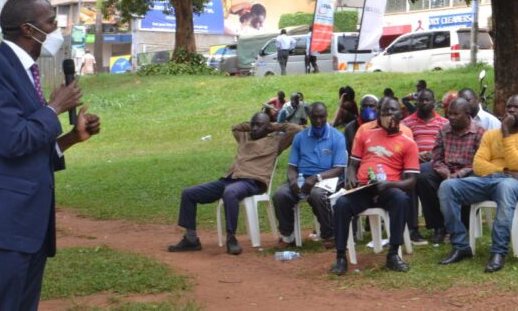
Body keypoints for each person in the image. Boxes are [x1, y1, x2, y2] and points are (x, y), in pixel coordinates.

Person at [0, 0, 102, 311]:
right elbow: (12, 141)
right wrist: (54, 107)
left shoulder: (26, 71)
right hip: (4, 220)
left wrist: (72, 138)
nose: (56, 30)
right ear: (28, 29)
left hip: (29, 222)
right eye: (51, 22)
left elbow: (30, 149)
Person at [168, 113, 302, 255]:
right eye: (253, 124)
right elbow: (235, 127)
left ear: (268, 127)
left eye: (259, 125)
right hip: (229, 179)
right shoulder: (244, 137)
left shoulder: (276, 142)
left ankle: (231, 238)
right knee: (189, 193)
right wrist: (254, 125)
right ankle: (191, 239)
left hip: (252, 181)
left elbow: (297, 129)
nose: (254, 128)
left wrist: (273, 126)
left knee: (230, 192)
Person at [438, 95, 518, 273]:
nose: (511, 110)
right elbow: (478, 165)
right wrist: (506, 171)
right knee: (448, 187)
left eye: (517, 107)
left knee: (504, 187)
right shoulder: (490, 135)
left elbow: (517, 163)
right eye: (509, 107)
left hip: (514, 184)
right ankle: (460, 245)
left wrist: (506, 132)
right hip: (488, 179)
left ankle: (498, 251)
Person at [330, 97, 420, 275]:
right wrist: (350, 176)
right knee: (341, 204)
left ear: (401, 114)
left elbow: (411, 181)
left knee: (401, 200)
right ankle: (340, 257)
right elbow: (352, 165)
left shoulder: (408, 143)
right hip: (363, 188)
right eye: (384, 111)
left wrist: (389, 184)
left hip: (388, 189)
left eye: (393, 110)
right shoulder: (365, 135)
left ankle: (393, 254)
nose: (388, 114)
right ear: (378, 115)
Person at [273, 102, 347, 247]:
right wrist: (293, 181)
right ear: (309, 117)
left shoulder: (337, 137)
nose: (318, 121)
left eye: (322, 117)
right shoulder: (300, 137)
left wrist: (315, 178)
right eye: (314, 117)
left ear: (326, 116)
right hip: (302, 178)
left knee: (317, 194)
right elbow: (292, 167)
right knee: (280, 195)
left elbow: (339, 169)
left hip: (328, 178)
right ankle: (287, 236)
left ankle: (329, 235)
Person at [416, 98, 485, 244]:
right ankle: (438, 226)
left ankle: (461, 227)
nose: (451, 117)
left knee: (472, 178)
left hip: (468, 171)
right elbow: (437, 158)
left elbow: (479, 163)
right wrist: (446, 172)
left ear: (467, 114)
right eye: (449, 114)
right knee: (423, 174)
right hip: (446, 170)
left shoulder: (480, 132)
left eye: (455, 114)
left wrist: (457, 175)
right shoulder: (444, 130)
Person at [401, 89, 449, 245]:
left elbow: (448, 146)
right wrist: (415, 155)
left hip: (437, 163)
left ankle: (438, 226)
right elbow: (401, 146)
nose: (424, 103)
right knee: (410, 178)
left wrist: (434, 155)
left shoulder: (444, 123)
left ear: (434, 102)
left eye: (427, 100)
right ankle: (413, 228)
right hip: (413, 163)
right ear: (416, 102)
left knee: (424, 177)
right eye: (421, 100)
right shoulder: (406, 123)